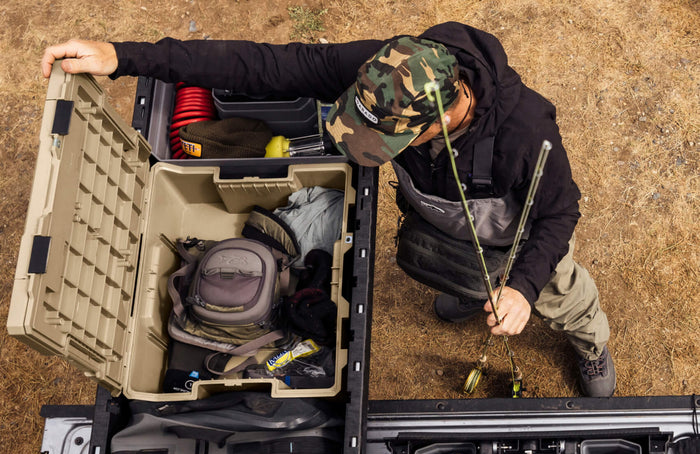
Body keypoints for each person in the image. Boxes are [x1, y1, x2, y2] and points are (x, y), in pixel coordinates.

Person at [41, 23, 616, 397]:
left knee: (559, 293)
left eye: (387, 140)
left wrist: (522, 287)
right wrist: (124, 57)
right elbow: (261, 65)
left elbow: (560, 216)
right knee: (452, 270)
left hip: (514, 235)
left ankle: (590, 342)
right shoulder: (382, 72)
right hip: (443, 221)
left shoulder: (525, 133)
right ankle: (471, 292)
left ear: (446, 114)